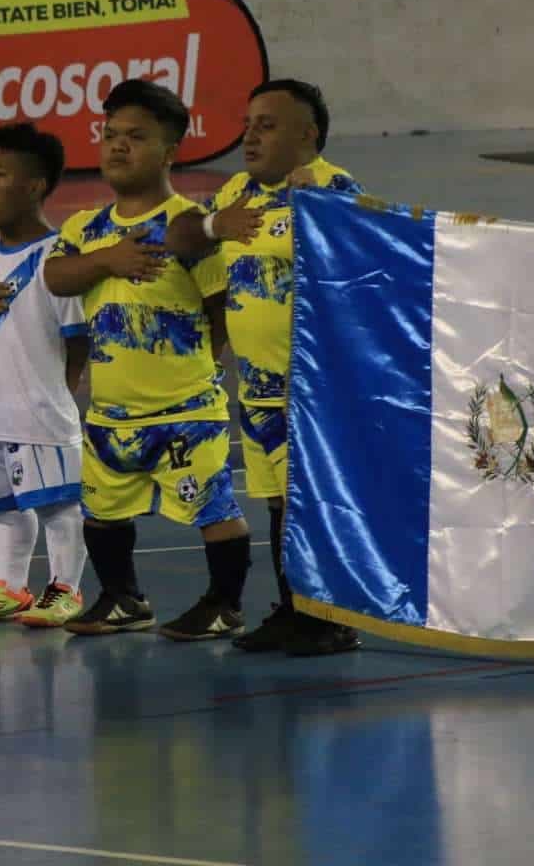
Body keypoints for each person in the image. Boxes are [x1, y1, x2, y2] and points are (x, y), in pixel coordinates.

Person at [45, 78, 252, 640]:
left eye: (135, 137)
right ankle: (121, 597)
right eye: (110, 134)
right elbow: (55, 275)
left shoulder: (189, 228)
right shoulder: (84, 229)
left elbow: (221, 311)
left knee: (213, 509)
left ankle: (225, 603)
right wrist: (109, 258)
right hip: (111, 411)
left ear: (170, 150)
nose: (117, 146)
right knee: (103, 512)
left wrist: (197, 371)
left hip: (185, 408)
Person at [162, 79, 363, 656]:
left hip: (315, 388)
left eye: (268, 124)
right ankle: (294, 610)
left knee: (313, 499)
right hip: (256, 387)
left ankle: (332, 618)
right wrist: (212, 227)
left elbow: (367, 269)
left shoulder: (335, 187)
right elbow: (178, 238)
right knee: (277, 502)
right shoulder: (236, 193)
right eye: (249, 122)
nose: (251, 134)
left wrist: (318, 211)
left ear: (309, 136)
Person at [0, 123, 91, 628]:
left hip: (41, 410)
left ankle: (66, 589)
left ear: (35, 184)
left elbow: (79, 338)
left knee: (58, 505)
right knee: (2, 505)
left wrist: (59, 393)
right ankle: (9, 587)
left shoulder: (58, 260)